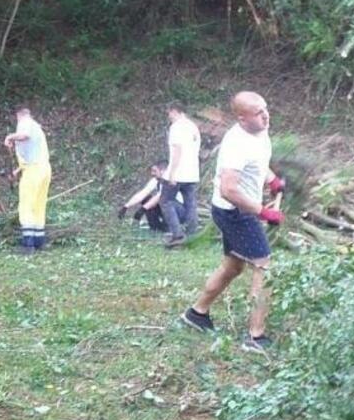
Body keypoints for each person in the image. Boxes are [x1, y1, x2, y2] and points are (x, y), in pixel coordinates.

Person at [181, 91, 286, 353]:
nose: (266, 115)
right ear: (242, 118)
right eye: (258, 113)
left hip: (237, 211)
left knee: (233, 266)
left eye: (265, 109)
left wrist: (271, 179)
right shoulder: (236, 145)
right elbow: (229, 189)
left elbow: (258, 162)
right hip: (234, 212)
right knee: (264, 267)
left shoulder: (259, 130)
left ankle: (196, 314)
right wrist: (263, 212)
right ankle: (255, 337)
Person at [4, 106, 51, 253]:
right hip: (44, 169)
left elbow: (24, 135)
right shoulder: (37, 126)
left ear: (18, 115)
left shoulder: (25, 123)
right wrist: (17, 171)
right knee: (39, 204)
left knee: (26, 204)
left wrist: (10, 137)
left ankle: (28, 244)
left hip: (33, 171)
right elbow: (32, 152)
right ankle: (39, 241)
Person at [162, 102, 201, 247]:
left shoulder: (176, 127)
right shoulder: (193, 126)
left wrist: (172, 173)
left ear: (175, 111)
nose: (169, 116)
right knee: (190, 203)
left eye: (169, 113)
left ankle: (177, 234)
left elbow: (177, 150)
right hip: (192, 172)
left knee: (166, 202)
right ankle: (192, 234)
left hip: (178, 172)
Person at [118, 162, 184, 233]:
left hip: (178, 210)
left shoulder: (171, 181)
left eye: (155, 171)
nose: (152, 173)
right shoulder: (156, 180)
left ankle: (170, 227)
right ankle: (155, 227)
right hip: (167, 208)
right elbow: (142, 193)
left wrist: (142, 210)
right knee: (147, 199)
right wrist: (126, 206)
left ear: (162, 171)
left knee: (161, 200)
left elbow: (160, 196)